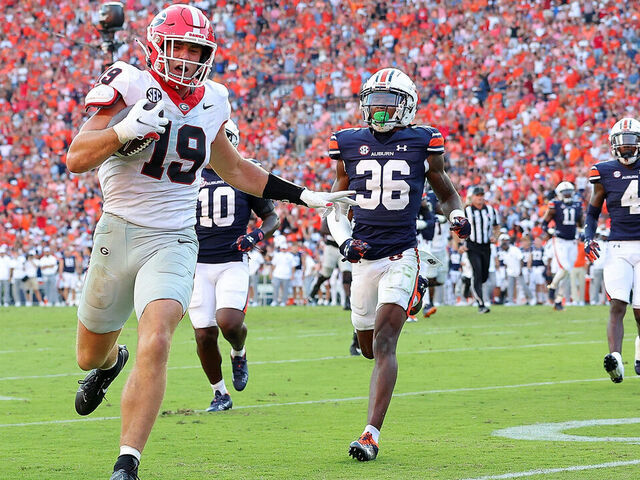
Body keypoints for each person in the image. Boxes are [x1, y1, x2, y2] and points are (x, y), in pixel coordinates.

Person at [65, 5, 355, 479]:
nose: (186, 59)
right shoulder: (129, 82)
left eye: (196, 50)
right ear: (158, 45)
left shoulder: (214, 98)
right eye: (179, 47)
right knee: (89, 354)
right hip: (117, 230)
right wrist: (124, 130)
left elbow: (236, 169)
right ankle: (109, 363)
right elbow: (77, 157)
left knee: (156, 338)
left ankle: (127, 463)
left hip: (175, 238)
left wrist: (306, 196)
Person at [325, 67, 470, 461]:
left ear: (407, 105)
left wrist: (456, 216)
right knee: (368, 347)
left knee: (387, 344)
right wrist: (345, 241)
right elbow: (334, 206)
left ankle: (370, 435)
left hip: (402, 253)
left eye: (389, 102)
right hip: (363, 259)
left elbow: (447, 192)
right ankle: (414, 294)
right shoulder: (348, 142)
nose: (380, 110)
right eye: (374, 102)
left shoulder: (423, 140)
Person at [187, 119, 279, 412]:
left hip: (231, 261)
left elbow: (272, 218)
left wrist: (255, 236)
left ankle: (239, 351)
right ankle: (219, 393)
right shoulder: (187, 174)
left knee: (229, 322)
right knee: (203, 333)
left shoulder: (244, 173)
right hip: (197, 263)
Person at [583, 117, 640, 384]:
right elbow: (593, 210)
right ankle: (615, 359)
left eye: (631, 143)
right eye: (622, 143)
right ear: (613, 144)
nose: (627, 148)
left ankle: (639, 352)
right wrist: (587, 237)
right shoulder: (603, 171)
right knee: (617, 304)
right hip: (617, 246)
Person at [454, 186, 499, 313]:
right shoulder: (466, 211)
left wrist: (495, 236)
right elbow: (455, 227)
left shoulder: (491, 210)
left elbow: (497, 226)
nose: (479, 198)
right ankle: (481, 304)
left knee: (484, 275)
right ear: (472, 197)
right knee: (477, 273)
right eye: (477, 195)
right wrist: (459, 244)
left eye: (481, 195)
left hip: (486, 246)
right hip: (472, 246)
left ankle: (467, 281)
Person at [543, 181, 584, 310]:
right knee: (564, 268)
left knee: (567, 272)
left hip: (572, 241)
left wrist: (582, 233)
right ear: (559, 194)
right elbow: (544, 223)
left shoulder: (578, 205)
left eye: (569, 192)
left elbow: (581, 224)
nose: (567, 195)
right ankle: (553, 287)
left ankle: (558, 301)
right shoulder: (554, 205)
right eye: (564, 193)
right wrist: (550, 231)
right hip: (559, 240)